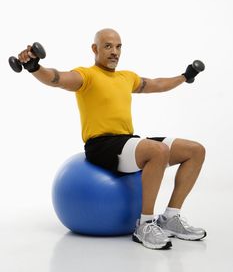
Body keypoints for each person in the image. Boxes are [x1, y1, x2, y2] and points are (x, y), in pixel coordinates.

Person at [18, 28, 206, 250]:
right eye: (108, 46)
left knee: (195, 151)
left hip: (127, 141)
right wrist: (34, 67)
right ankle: (145, 225)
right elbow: (56, 78)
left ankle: (171, 218)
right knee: (158, 151)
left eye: (118, 47)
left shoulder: (126, 77)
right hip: (102, 145)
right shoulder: (85, 76)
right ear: (95, 49)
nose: (114, 52)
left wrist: (185, 77)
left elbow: (156, 84)